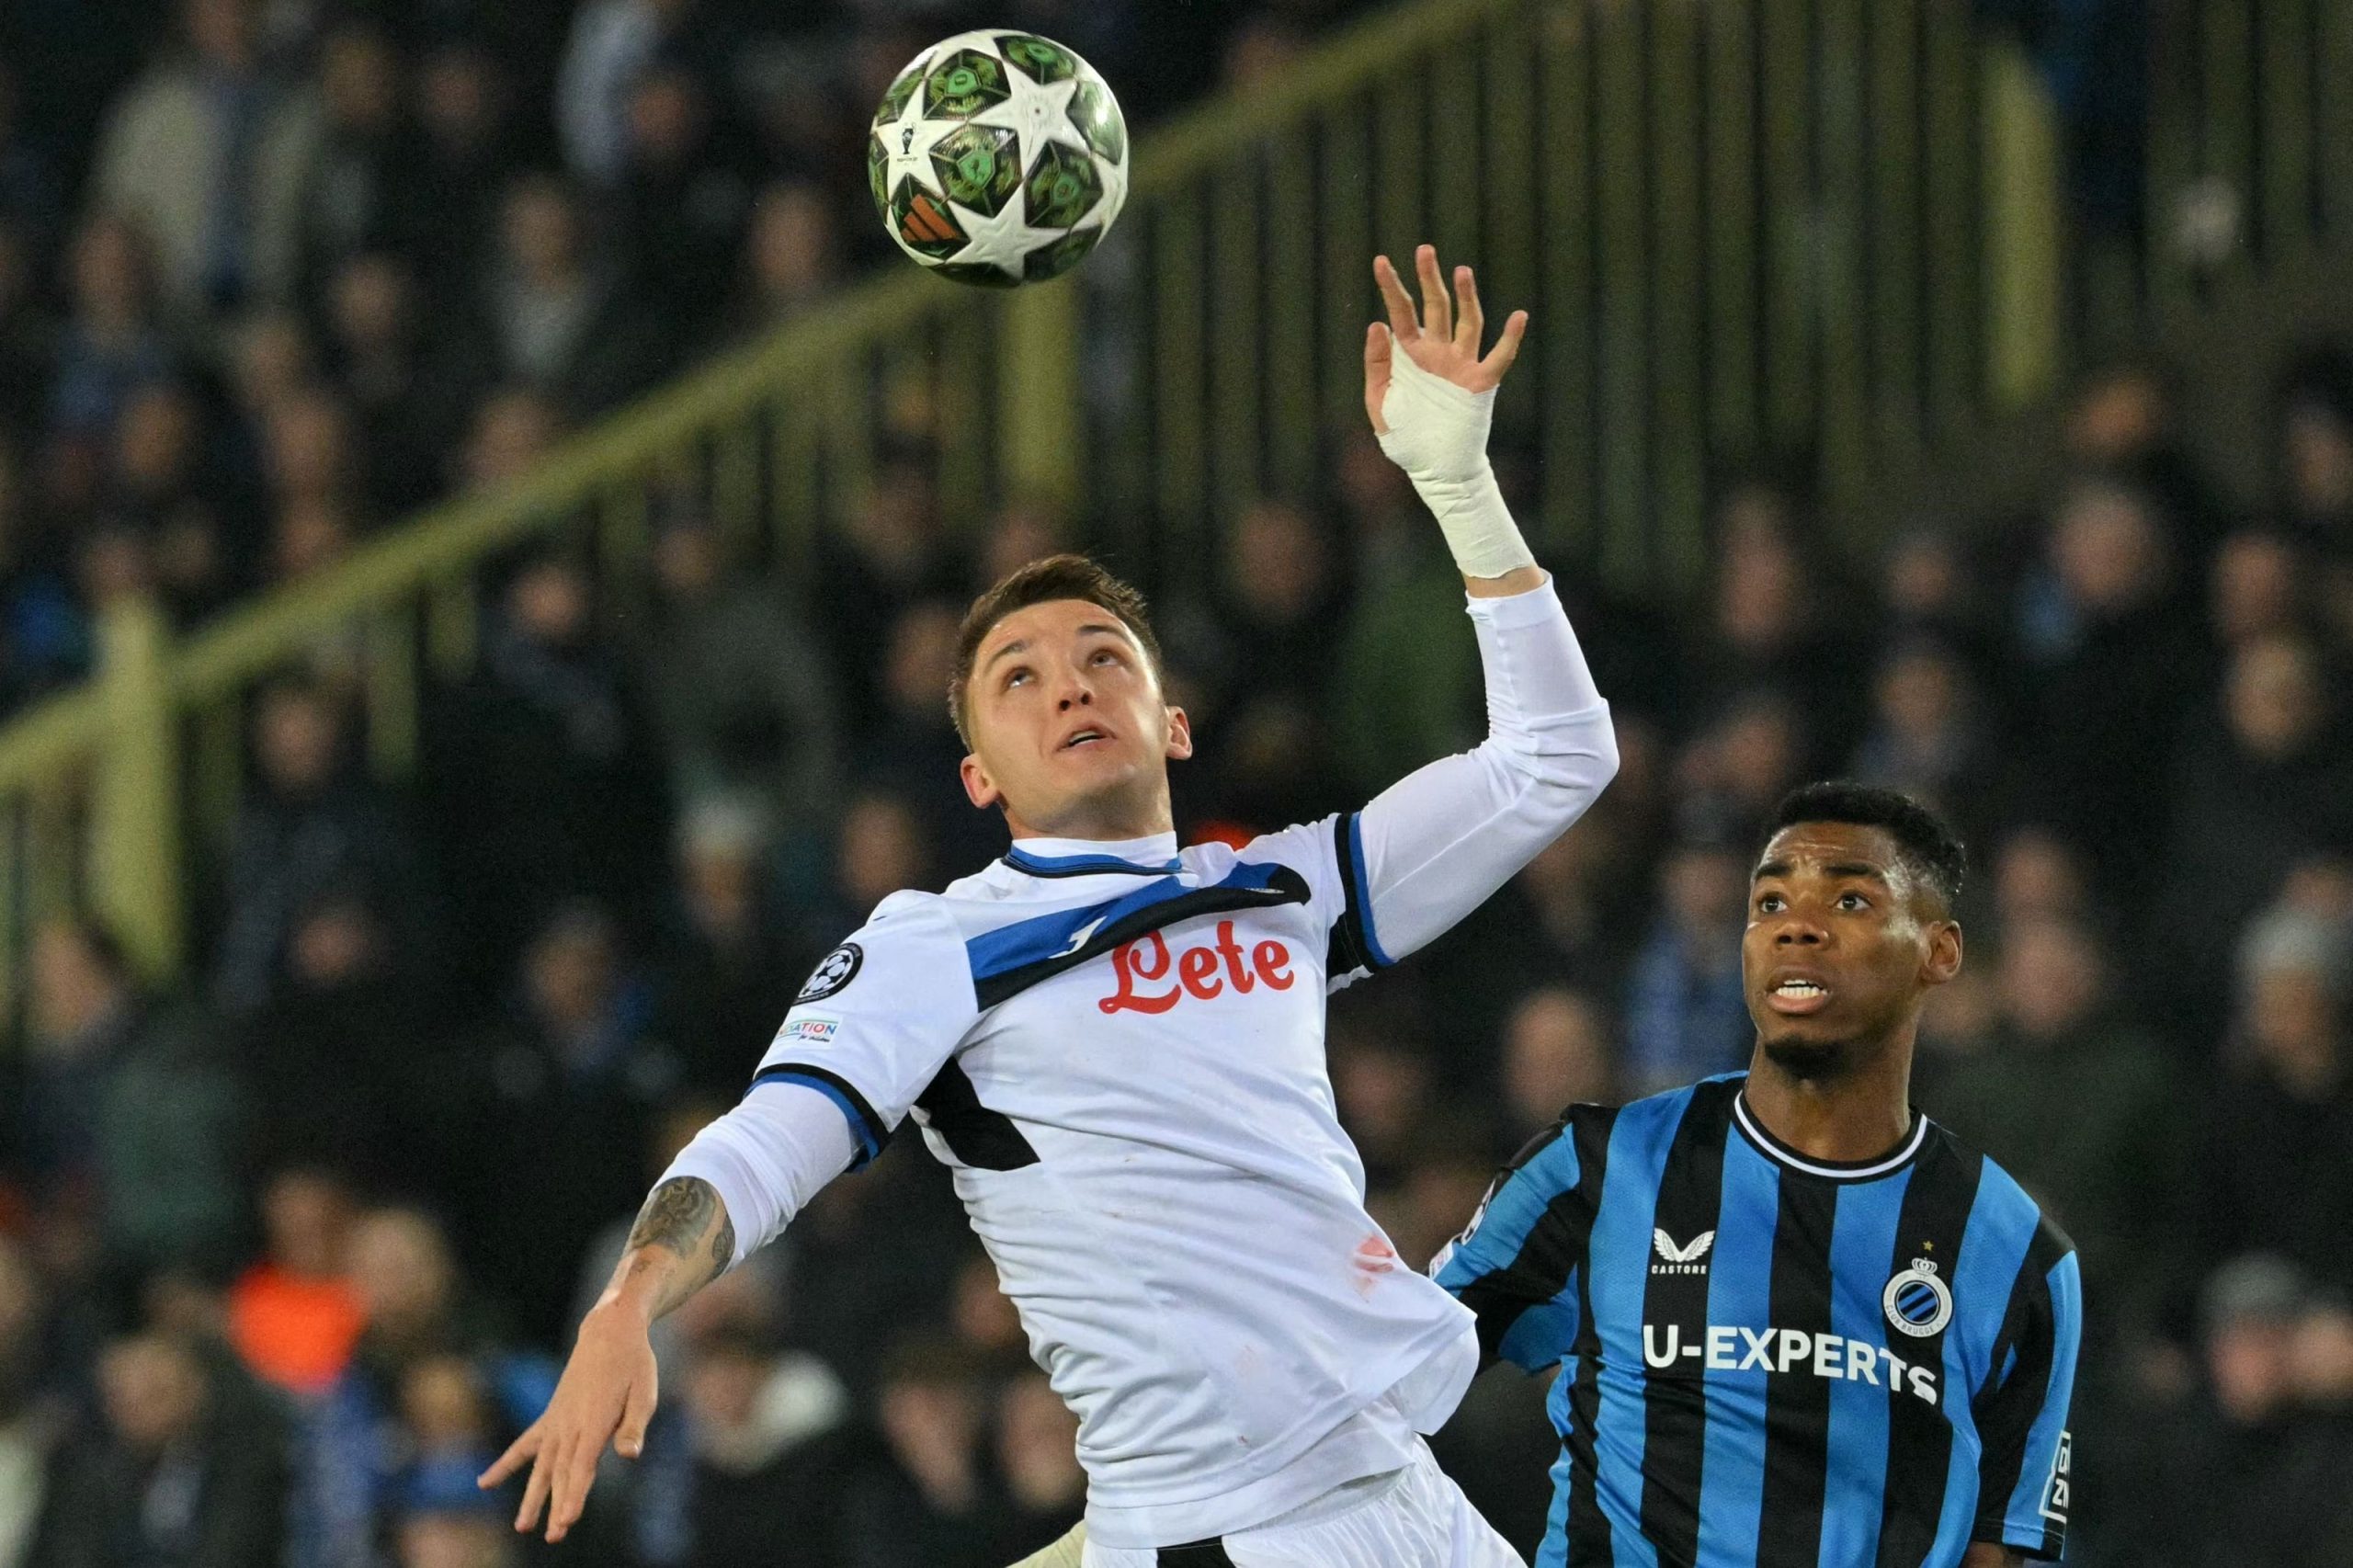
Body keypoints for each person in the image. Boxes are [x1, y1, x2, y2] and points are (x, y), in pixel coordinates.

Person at [482, 245, 1617, 1566]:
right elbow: (763, 1145)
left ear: (1172, 721)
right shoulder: (936, 945)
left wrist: (1459, 487)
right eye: (1017, 676)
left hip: (1403, 1494)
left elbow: (1558, 758)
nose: (1068, 684)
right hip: (1231, 1528)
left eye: (1103, 657)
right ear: (977, 774)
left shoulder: (1281, 888)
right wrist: (630, 1299)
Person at [1435, 783, 2082, 1568]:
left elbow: (2000, 1551)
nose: (1796, 927)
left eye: (1848, 901)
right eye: (1771, 903)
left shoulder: (2018, 1253)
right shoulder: (1600, 1169)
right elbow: (1379, 1375)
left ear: (1938, 953)